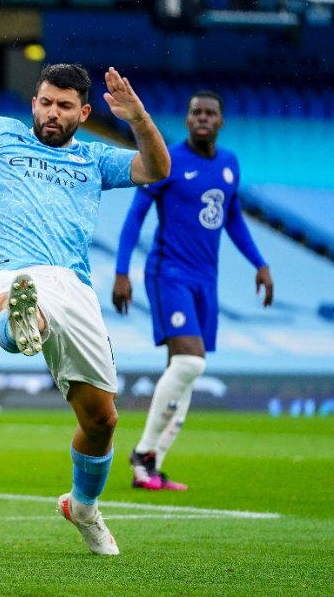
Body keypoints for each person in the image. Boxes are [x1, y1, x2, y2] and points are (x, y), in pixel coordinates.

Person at [0, 64, 170, 555]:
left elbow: (157, 170)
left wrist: (138, 118)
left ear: (84, 112)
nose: (53, 113)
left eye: (65, 106)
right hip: (11, 271)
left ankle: (83, 506)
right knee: (12, 301)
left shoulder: (94, 159)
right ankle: (18, 321)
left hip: (74, 285)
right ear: (33, 103)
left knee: (102, 422)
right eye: (46, 102)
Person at [112, 90, 273, 492]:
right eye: (195, 112)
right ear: (187, 120)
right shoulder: (168, 160)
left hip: (206, 280)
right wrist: (121, 271)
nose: (202, 118)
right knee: (190, 364)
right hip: (169, 273)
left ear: (220, 121)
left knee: (182, 372)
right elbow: (135, 217)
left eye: (210, 113)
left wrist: (260, 264)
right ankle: (144, 451)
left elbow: (232, 218)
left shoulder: (229, 164)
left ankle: (150, 470)